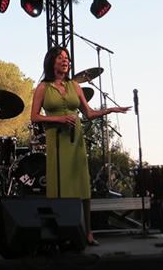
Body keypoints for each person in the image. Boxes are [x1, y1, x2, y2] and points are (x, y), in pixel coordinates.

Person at [31, 46, 130, 246]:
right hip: (56, 141)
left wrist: (110, 109)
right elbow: (34, 117)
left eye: (66, 58)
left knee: (82, 186)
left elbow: (88, 113)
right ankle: (60, 230)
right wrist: (58, 119)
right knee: (60, 185)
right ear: (51, 61)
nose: (65, 60)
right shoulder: (43, 87)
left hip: (75, 141)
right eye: (60, 57)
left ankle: (87, 232)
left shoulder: (74, 86)